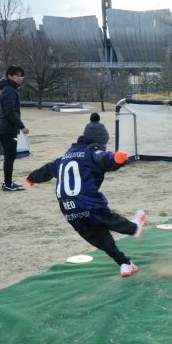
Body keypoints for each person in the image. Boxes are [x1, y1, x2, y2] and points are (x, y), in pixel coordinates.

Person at [25, 112, 147, 277]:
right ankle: (134, 229)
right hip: (88, 202)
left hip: (69, 209)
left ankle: (124, 264)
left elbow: (47, 169)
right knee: (107, 218)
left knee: (100, 238)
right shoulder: (92, 151)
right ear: (100, 142)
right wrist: (116, 160)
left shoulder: (65, 156)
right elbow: (103, 158)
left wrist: (32, 177)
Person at [0, 65, 29, 191]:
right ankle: (8, 184)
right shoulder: (9, 90)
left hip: (6, 128)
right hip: (7, 128)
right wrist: (22, 126)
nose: (20, 78)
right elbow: (10, 111)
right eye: (17, 75)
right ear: (10, 76)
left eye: (21, 76)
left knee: (10, 155)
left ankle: (8, 182)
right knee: (10, 156)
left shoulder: (9, 88)